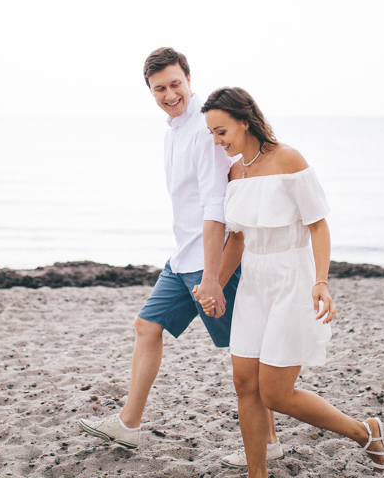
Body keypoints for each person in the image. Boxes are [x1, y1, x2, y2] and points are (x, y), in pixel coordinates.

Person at [78, 48, 282, 469]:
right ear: (149, 91)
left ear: (189, 78)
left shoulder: (203, 131)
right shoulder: (174, 130)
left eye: (175, 84)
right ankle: (129, 424)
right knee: (146, 326)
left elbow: (214, 207)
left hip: (207, 263)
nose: (170, 94)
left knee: (246, 357)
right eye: (160, 88)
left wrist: (213, 277)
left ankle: (271, 439)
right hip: (182, 258)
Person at [197, 86, 384, 476]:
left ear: (244, 121)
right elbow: (237, 238)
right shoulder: (235, 171)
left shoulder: (289, 159)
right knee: (244, 383)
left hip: (292, 278)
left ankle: (363, 431)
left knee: (275, 392)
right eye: (212, 134)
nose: (217, 142)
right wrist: (215, 283)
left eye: (221, 132)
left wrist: (322, 281)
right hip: (254, 282)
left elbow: (318, 225)